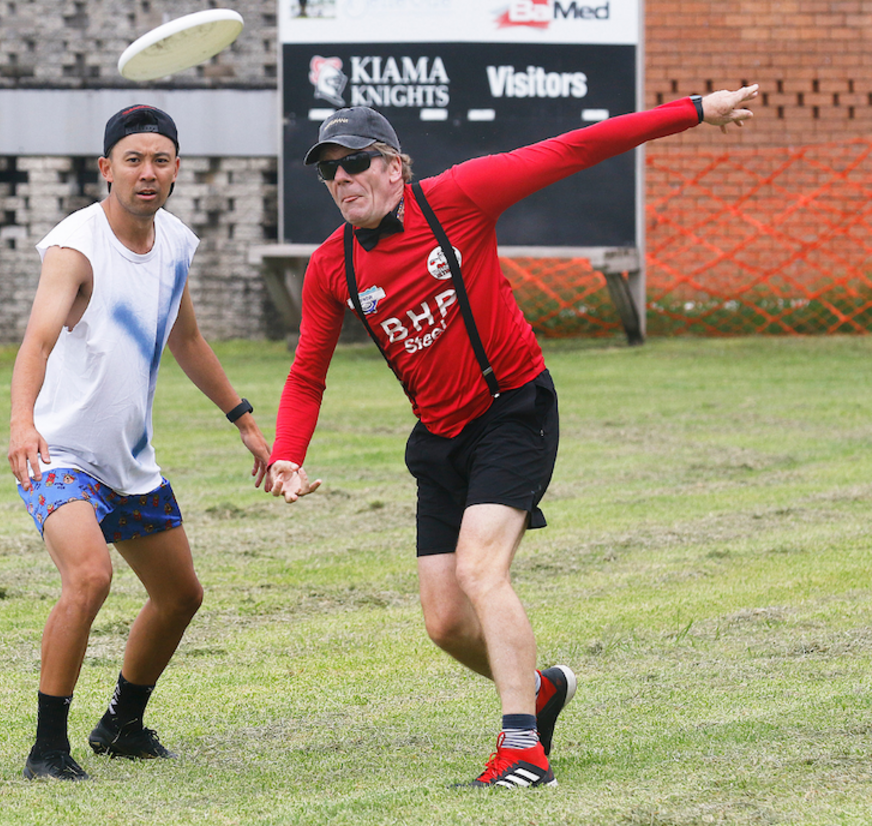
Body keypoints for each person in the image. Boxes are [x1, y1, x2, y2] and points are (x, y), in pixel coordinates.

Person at [267, 87, 760, 788]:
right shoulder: (330, 267)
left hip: (512, 410)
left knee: (479, 571)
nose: (342, 179)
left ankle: (523, 747)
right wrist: (289, 454)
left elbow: (576, 148)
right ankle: (538, 687)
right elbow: (307, 375)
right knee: (443, 621)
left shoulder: (458, 198)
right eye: (329, 170)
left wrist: (694, 110)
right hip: (438, 438)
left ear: (394, 167)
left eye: (355, 162)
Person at [8, 103, 272, 781]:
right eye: (133, 160)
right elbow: (37, 339)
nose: (146, 173)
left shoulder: (177, 244)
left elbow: (185, 338)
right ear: (107, 170)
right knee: (89, 577)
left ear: (176, 168)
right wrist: (21, 422)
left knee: (181, 595)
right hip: (60, 456)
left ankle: (122, 724)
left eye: (160, 160)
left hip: (130, 463)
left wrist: (242, 417)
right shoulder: (76, 246)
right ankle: (48, 749)